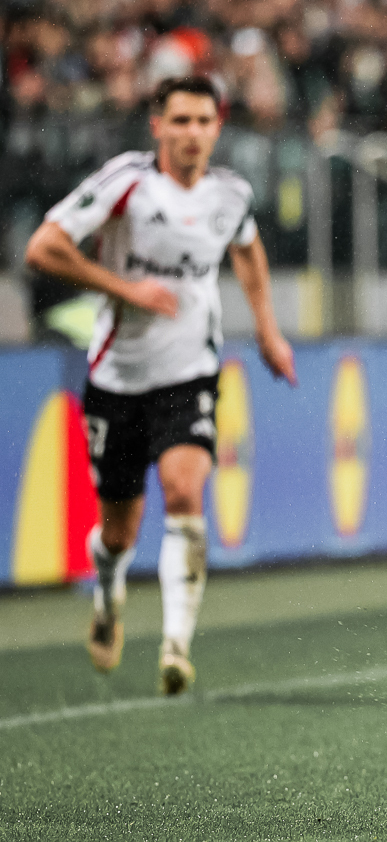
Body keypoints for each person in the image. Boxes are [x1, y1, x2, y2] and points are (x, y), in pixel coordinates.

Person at [24, 74, 298, 695]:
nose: (193, 134)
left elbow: (247, 250)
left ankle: (176, 644)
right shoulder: (126, 183)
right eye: (181, 121)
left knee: (183, 490)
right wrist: (125, 289)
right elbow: (43, 247)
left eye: (204, 122)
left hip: (189, 372)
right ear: (158, 126)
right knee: (118, 529)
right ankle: (110, 591)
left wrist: (267, 330)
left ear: (218, 127)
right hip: (118, 377)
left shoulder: (230, 194)